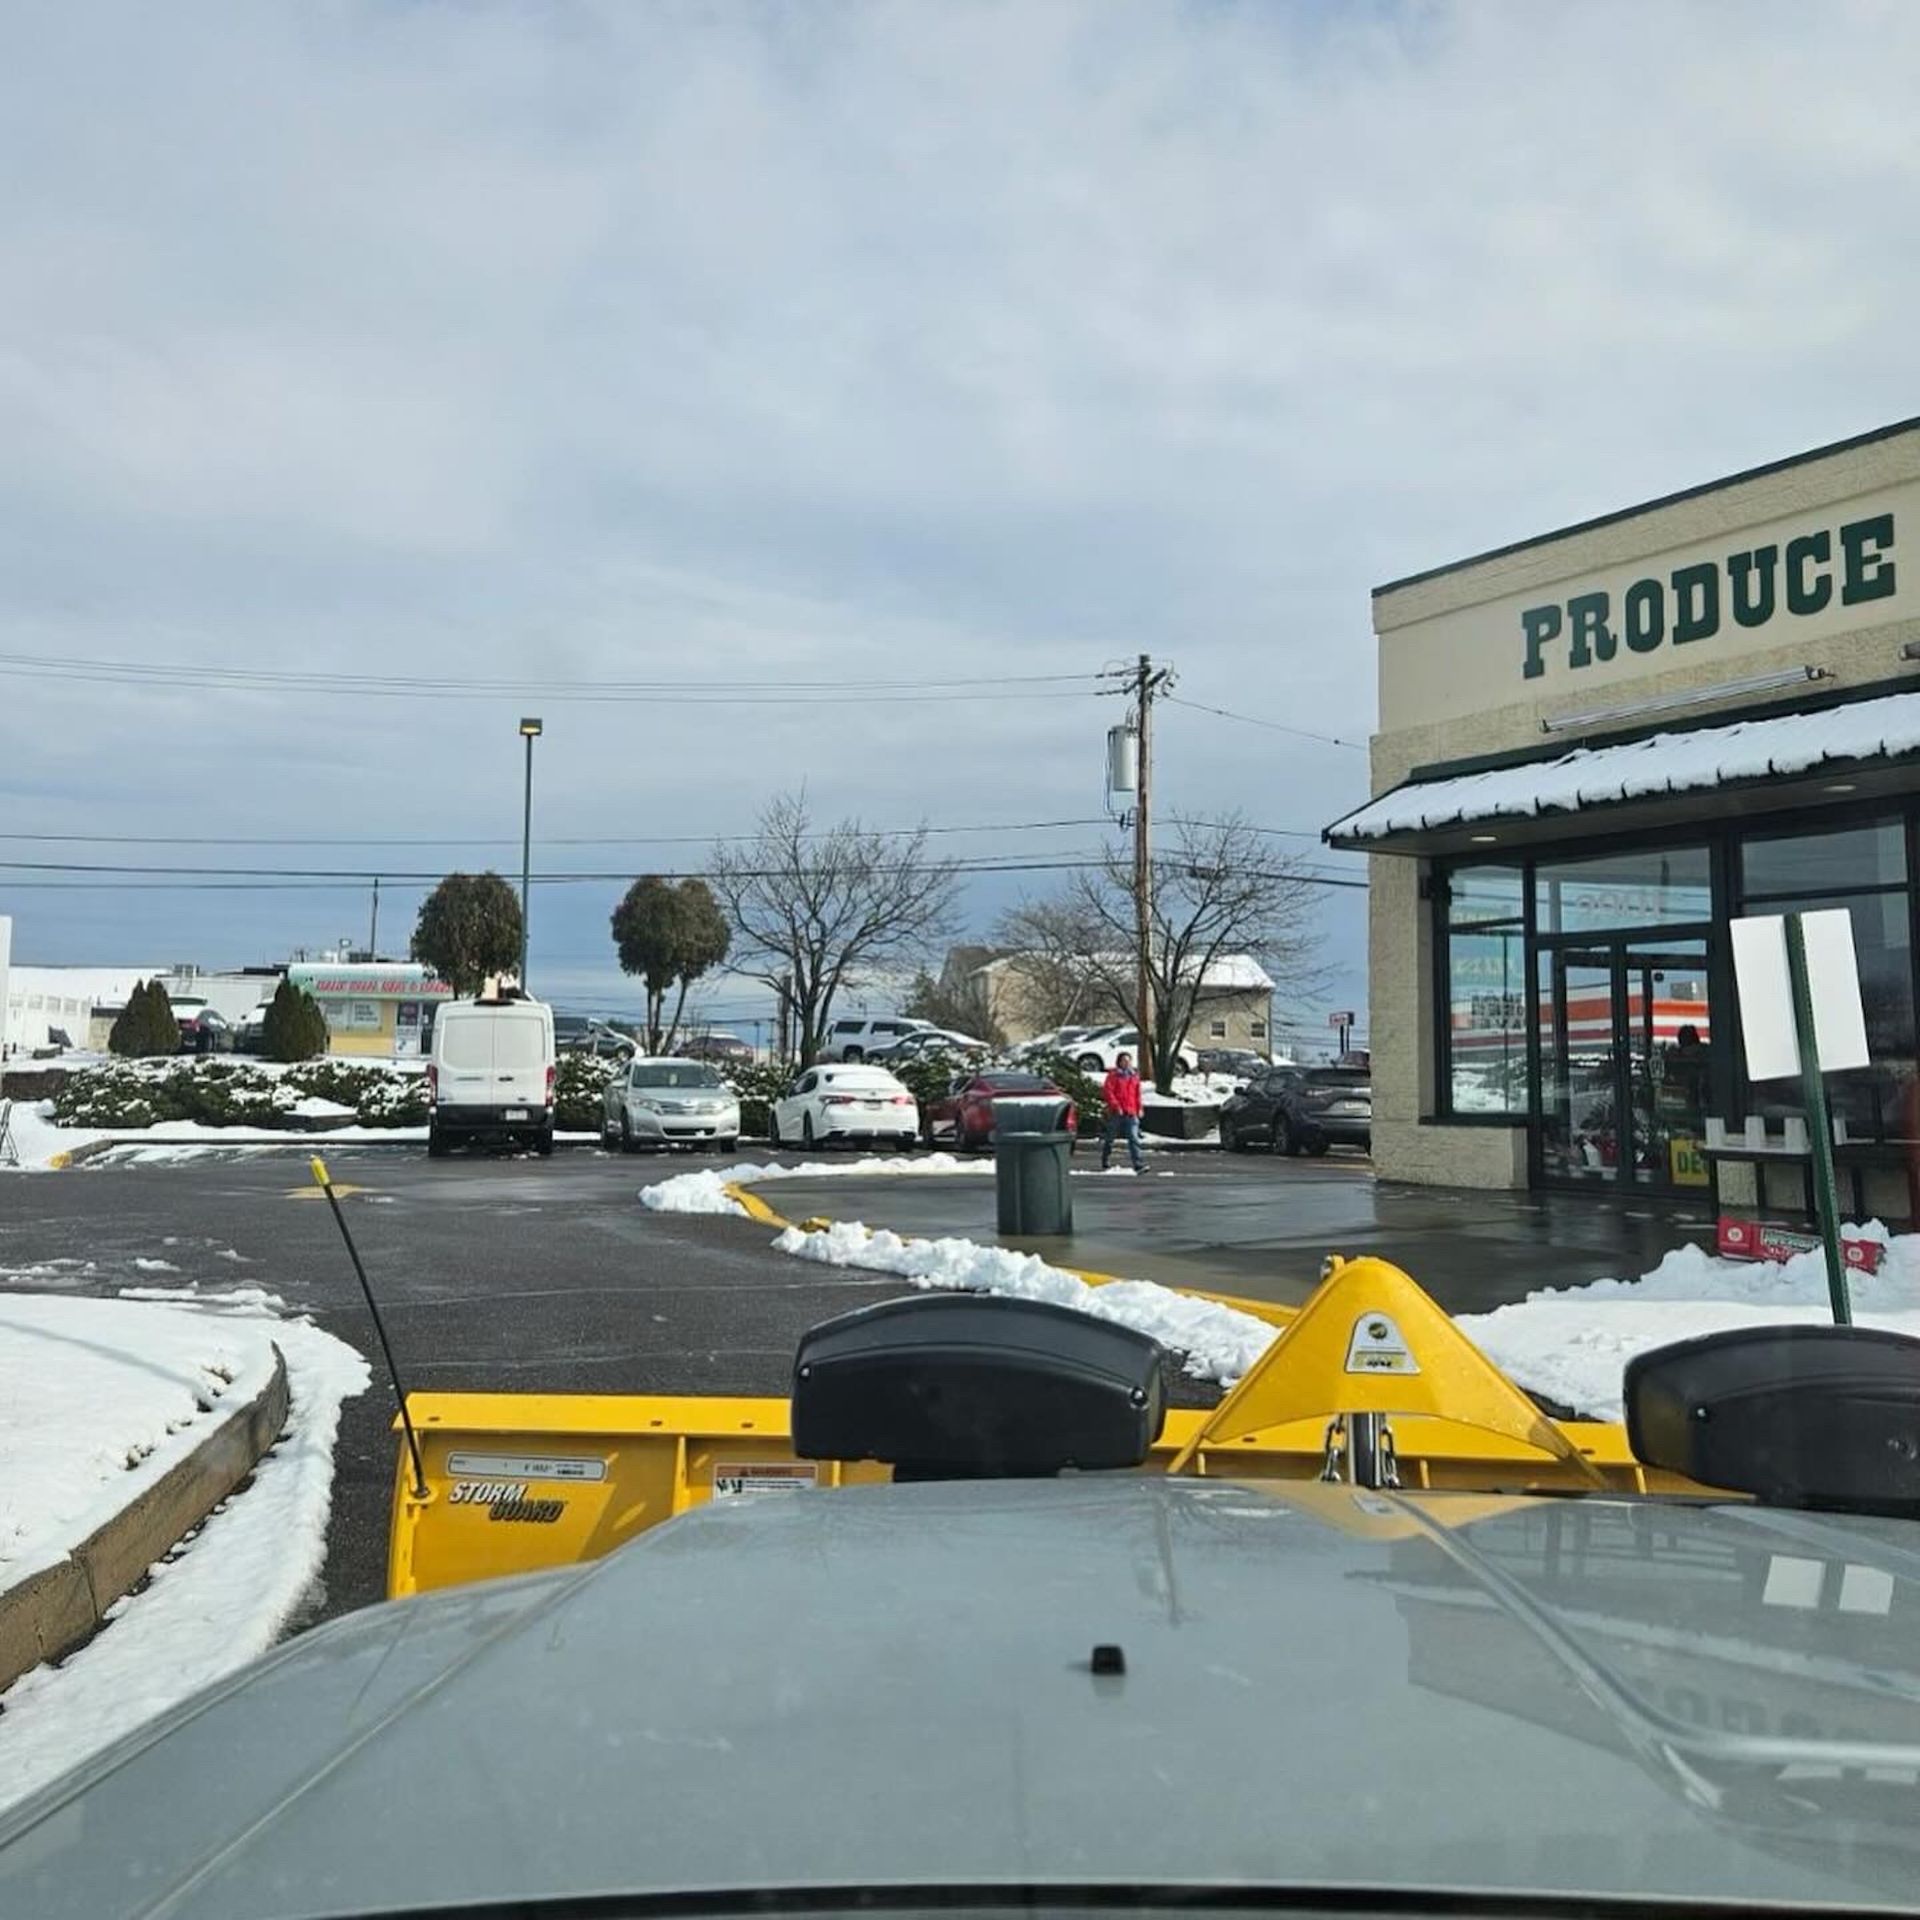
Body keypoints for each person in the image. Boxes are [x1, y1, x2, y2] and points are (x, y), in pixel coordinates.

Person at [1100, 1051, 1146, 1174]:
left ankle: (1138, 1164)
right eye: (1124, 1060)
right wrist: (1115, 1106)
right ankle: (1105, 1158)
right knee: (1110, 1137)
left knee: (1134, 1138)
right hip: (1117, 1112)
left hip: (1131, 1111)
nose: (1126, 1063)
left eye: (1128, 1060)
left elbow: (1137, 1095)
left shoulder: (1134, 1076)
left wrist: (1139, 1108)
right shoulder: (1113, 1076)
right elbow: (1108, 1092)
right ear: (1119, 1062)